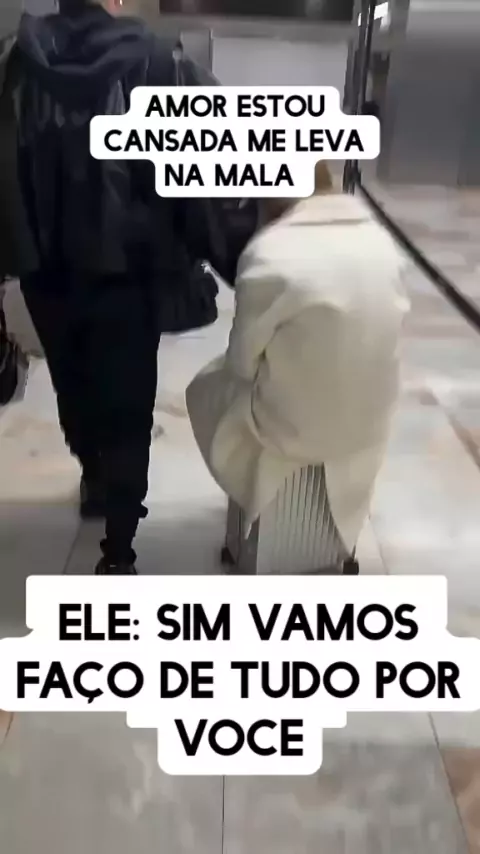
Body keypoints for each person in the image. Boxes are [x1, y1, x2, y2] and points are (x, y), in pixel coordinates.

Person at [0, 0, 252, 575]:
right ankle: (118, 549)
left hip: (46, 272)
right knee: (128, 403)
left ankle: (94, 476)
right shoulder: (159, 63)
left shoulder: (16, 64)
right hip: (129, 278)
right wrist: (227, 250)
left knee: (73, 383)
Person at [186, 162, 410, 566]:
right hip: (370, 424)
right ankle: (333, 541)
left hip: (293, 429)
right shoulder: (382, 243)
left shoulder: (269, 254)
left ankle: (251, 500)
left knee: (208, 386)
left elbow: (241, 364)